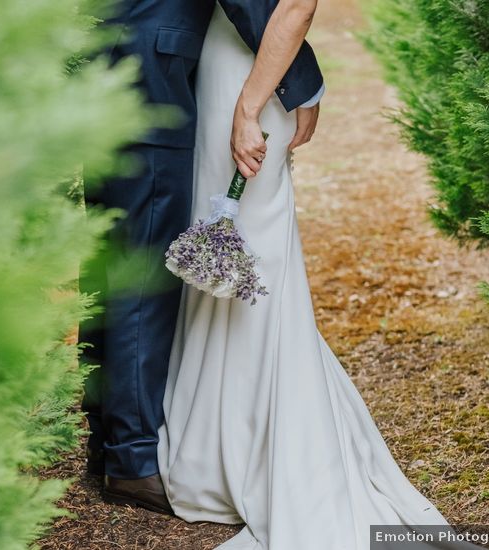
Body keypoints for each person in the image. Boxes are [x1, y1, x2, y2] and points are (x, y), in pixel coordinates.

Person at [80, 0, 322, 511]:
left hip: (105, 62)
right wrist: (304, 85)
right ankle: (132, 459)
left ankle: (105, 438)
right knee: (140, 274)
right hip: (151, 81)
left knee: (108, 255)